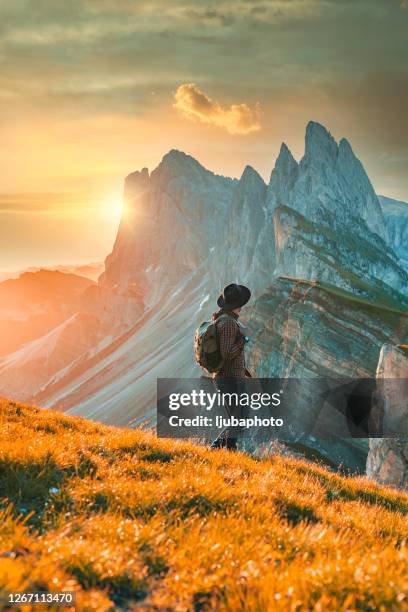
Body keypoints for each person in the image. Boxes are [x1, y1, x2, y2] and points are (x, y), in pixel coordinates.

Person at [211, 283, 251, 450]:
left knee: (238, 420)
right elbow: (227, 354)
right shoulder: (227, 323)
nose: (241, 307)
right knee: (237, 420)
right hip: (229, 379)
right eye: (240, 303)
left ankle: (228, 451)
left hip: (230, 378)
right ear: (235, 306)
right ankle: (215, 448)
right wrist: (244, 339)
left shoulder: (226, 320)